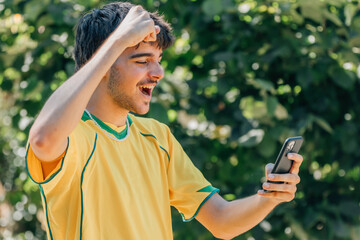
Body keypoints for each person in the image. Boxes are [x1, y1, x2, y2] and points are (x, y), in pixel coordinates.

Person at [26, 2, 303, 239]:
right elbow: (42, 138)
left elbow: (221, 221)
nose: (158, 72)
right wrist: (117, 41)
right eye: (142, 60)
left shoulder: (158, 137)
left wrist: (270, 196)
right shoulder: (72, 135)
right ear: (104, 61)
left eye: (158, 60)